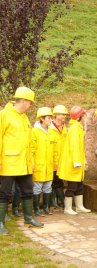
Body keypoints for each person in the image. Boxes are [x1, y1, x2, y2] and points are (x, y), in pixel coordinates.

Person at [0, 86, 44, 234]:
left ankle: (28, 218)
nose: (31, 106)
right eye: (30, 103)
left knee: (27, 190)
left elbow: (29, 143)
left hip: (24, 164)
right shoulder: (4, 115)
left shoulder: (24, 117)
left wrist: (31, 162)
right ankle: (0, 224)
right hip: (8, 163)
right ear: (23, 101)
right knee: (4, 193)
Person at [57, 106, 91, 215]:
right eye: (83, 115)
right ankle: (67, 208)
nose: (84, 117)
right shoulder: (75, 128)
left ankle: (79, 206)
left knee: (79, 185)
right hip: (73, 163)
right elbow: (74, 146)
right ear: (79, 117)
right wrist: (77, 161)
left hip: (77, 161)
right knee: (72, 186)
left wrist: (83, 160)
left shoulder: (76, 127)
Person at [32, 107, 58, 216]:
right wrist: (32, 163)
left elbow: (55, 150)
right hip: (38, 166)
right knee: (37, 188)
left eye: (51, 118)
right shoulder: (34, 132)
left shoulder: (52, 132)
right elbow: (31, 150)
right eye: (48, 118)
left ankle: (46, 208)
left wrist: (56, 162)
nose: (50, 120)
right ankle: (37, 209)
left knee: (48, 187)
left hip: (49, 165)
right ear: (42, 119)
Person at [49, 105, 68, 208]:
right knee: (54, 181)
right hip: (51, 159)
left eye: (65, 114)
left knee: (58, 180)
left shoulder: (64, 127)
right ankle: (57, 201)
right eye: (62, 114)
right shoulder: (49, 128)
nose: (64, 116)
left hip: (62, 159)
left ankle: (58, 201)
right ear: (55, 115)